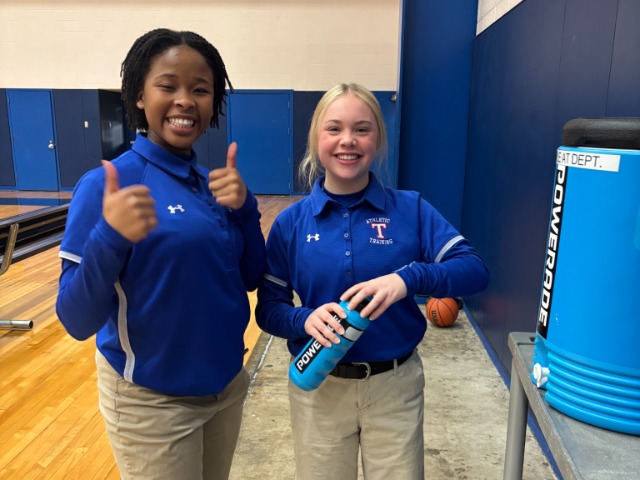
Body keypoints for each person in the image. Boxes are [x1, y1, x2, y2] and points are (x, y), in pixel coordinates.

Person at [55, 28, 266, 480]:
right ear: (139, 95)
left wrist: (247, 210)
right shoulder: (107, 185)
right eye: (168, 86)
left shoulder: (212, 184)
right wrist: (109, 237)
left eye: (200, 89)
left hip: (225, 388)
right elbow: (75, 320)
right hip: (153, 402)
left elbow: (250, 278)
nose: (185, 100)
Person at [256, 83, 489, 480]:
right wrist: (304, 320)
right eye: (334, 128)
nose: (348, 140)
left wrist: (408, 279)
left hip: (394, 388)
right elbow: (268, 309)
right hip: (319, 387)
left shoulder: (411, 209)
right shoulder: (291, 223)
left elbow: (474, 270)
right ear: (316, 139)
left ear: (378, 139)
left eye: (361, 129)